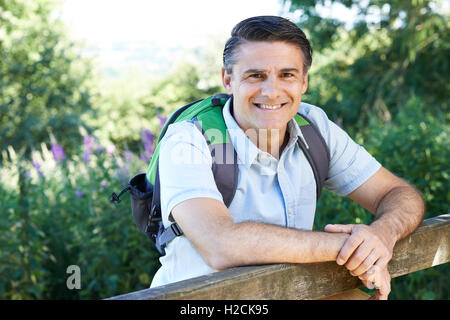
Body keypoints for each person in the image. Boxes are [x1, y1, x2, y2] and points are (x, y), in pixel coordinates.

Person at [149, 16, 425, 300]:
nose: (271, 91)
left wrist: (383, 234)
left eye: (287, 75)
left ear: (304, 81)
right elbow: (220, 244)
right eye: (255, 75)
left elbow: (397, 193)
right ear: (228, 79)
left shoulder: (314, 126)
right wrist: (355, 248)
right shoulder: (188, 139)